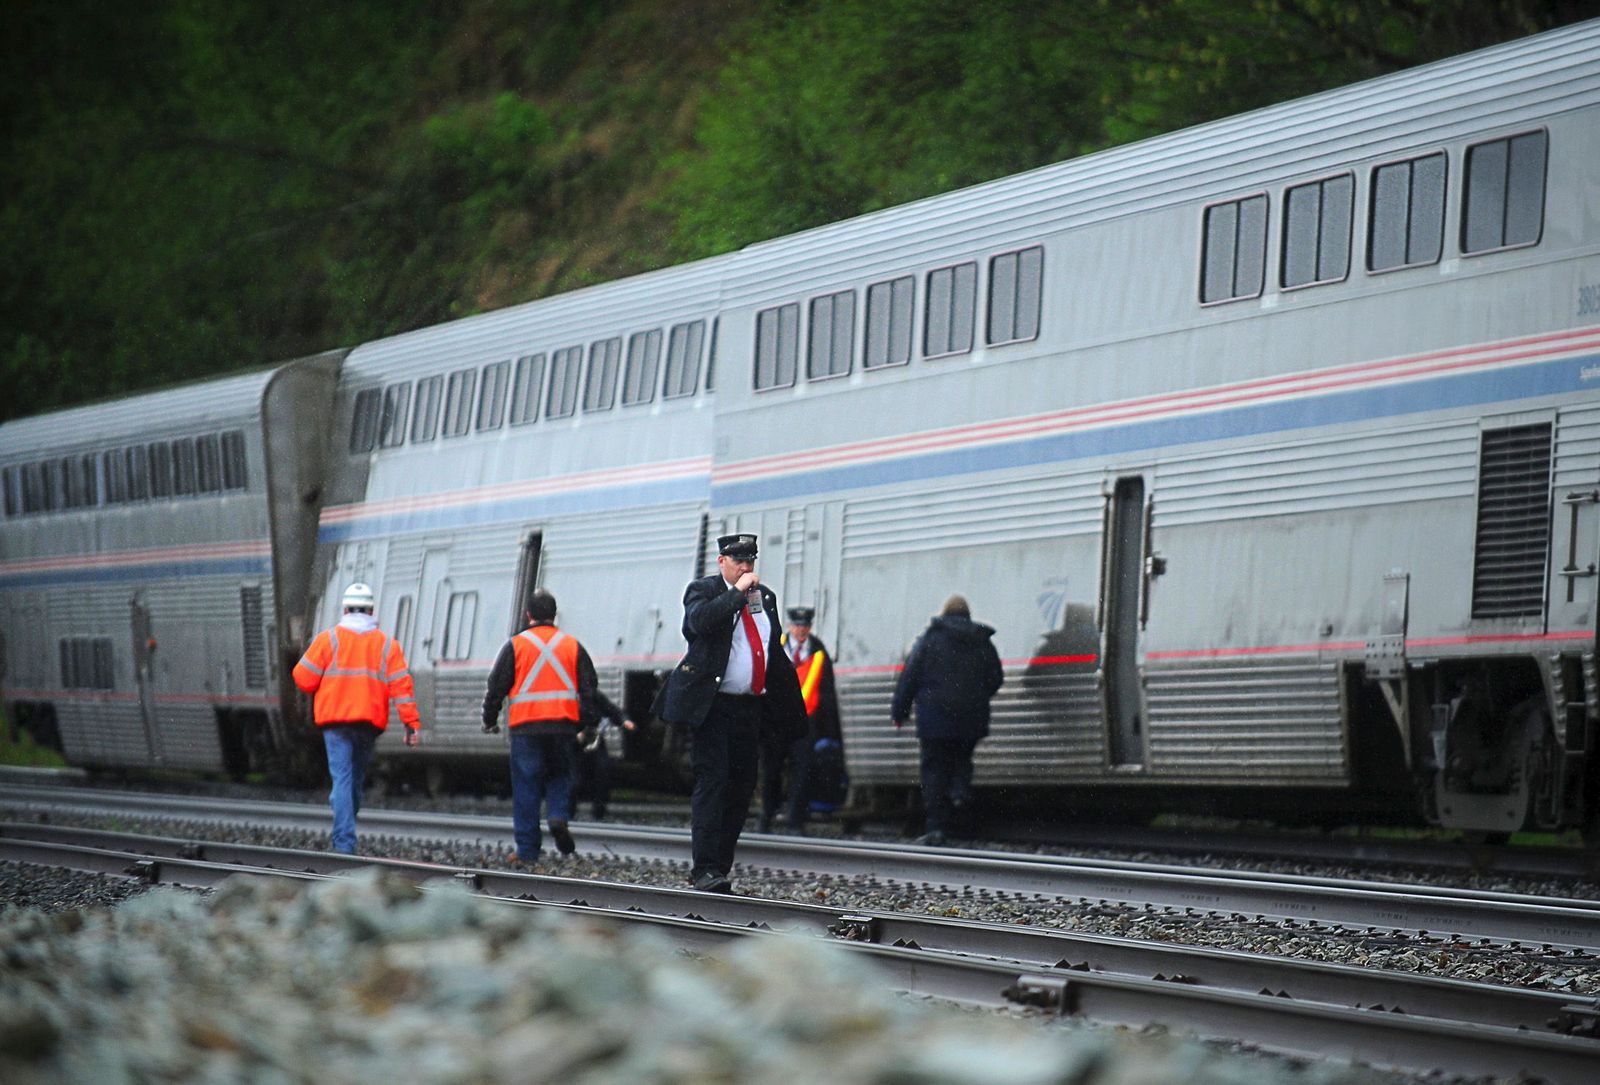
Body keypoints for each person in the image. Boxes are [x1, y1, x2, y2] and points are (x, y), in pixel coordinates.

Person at [654, 533, 806, 893]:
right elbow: (698, 624)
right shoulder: (703, 590)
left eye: (750, 561)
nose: (746, 567)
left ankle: (720, 867)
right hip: (713, 706)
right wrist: (735, 594)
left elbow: (772, 651)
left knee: (741, 787)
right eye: (738, 561)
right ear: (722, 562)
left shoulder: (764, 597)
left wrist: (793, 713)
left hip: (749, 707)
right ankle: (704, 867)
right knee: (713, 782)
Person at [293, 582, 420, 855]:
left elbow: (303, 678)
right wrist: (411, 724)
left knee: (342, 779)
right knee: (354, 781)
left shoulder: (329, 639)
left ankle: (344, 842)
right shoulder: (387, 644)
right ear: (372, 609)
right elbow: (402, 688)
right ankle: (345, 829)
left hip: (335, 722)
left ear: (345, 609)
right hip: (368, 723)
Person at [481, 588, 606, 863]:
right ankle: (558, 817)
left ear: (529, 615)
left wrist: (489, 718)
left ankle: (527, 850)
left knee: (527, 786)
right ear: (555, 615)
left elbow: (496, 686)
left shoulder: (516, 645)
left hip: (526, 727)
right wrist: (588, 723)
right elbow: (589, 687)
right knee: (560, 776)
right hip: (562, 726)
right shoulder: (572, 645)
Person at [890, 594, 1003, 846]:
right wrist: (977, 696)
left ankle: (936, 828)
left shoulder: (929, 640)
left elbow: (910, 677)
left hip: (935, 719)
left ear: (944, 612)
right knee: (962, 762)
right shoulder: (982, 641)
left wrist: (900, 711)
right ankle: (959, 797)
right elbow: (995, 678)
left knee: (934, 771)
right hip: (971, 718)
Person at [757, 606, 841, 834]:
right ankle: (767, 815)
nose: (801, 630)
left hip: (806, 722)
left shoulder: (819, 652)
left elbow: (827, 692)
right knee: (771, 770)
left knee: (802, 772)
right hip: (775, 721)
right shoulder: (774, 647)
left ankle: (795, 821)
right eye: (798, 626)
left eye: (805, 626)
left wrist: (828, 730)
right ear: (791, 626)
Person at [572, 687, 634, 820]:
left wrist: (624, 720)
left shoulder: (593, 695)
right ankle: (568, 812)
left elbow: (612, 710)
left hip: (594, 741)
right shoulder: (567, 697)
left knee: (604, 771)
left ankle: (598, 813)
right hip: (573, 745)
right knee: (573, 780)